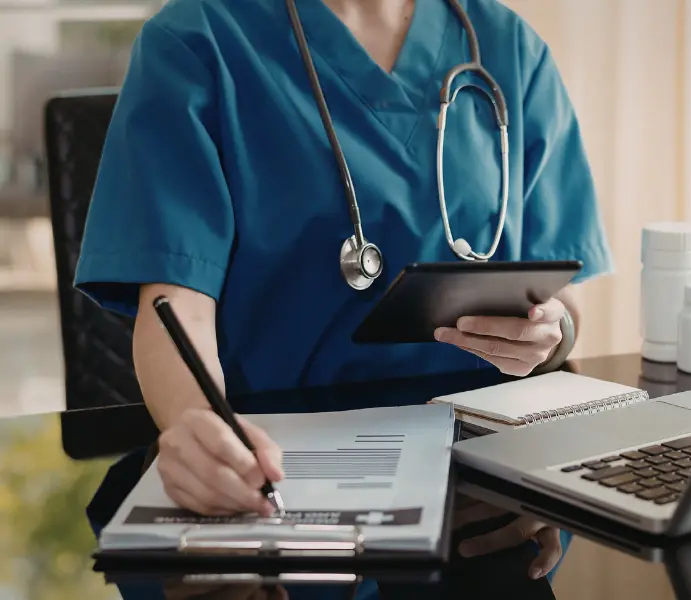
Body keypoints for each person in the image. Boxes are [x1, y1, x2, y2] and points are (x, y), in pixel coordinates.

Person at [75, 0, 611, 584]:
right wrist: (194, 423)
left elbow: (563, 299)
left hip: (488, 488)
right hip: (275, 471)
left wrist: (552, 335)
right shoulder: (200, 38)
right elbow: (175, 297)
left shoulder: (508, 46)